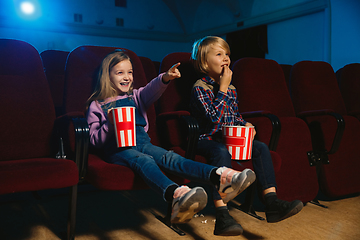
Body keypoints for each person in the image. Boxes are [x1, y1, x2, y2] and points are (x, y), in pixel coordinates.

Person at [85, 50, 256, 225]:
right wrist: (111, 124)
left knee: (171, 157)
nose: (127, 77)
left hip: (143, 141)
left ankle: (221, 177)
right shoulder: (97, 104)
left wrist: (165, 77)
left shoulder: (135, 97)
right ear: (107, 76)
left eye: (130, 72)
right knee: (144, 160)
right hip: (118, 149)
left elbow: (151, 89)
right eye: (120, 72)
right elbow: (94, 139)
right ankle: (176, 195)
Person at [190, 36, 303, 235]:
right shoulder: (200, 87)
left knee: (260, 147)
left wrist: (245, 124)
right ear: (204, 62)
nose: (225, 58)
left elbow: (233, 116)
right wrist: (223, 88)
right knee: (220, 150)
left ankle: (271, 202)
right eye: (219, 54)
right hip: (206, 140)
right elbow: (214, 121)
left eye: (227, 54)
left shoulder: (232, 89)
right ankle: (222, 213)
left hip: (227, 138)